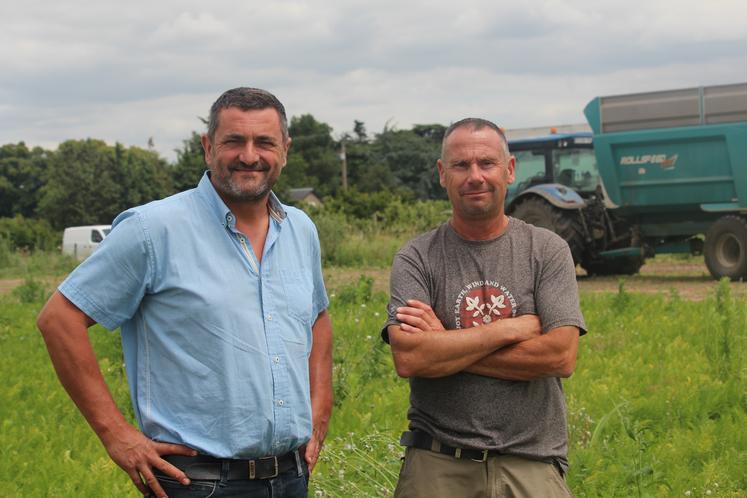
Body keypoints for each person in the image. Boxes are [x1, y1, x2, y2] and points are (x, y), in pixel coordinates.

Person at [37, 87, 333, 498]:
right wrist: (117, 435)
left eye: (264, 142)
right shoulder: (152, 230)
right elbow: (59, 319)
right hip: (197, 483)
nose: (249, 155)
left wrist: (320, 411)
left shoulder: (301, 229)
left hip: (290, 477)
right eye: (234, 141)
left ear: (284, 149)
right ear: (208, 147)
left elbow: (317, 317)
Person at [383, 118, 586, 497]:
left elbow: (560, 356)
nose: (474, 176)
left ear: (509, 170)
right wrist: (506, 330)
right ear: (443, 174)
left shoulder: (547, 250)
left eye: (486, 163)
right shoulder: (416, 257)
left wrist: (445, 344)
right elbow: (410, 358)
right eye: (461, 165)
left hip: (530, 462)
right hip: (437, 463)